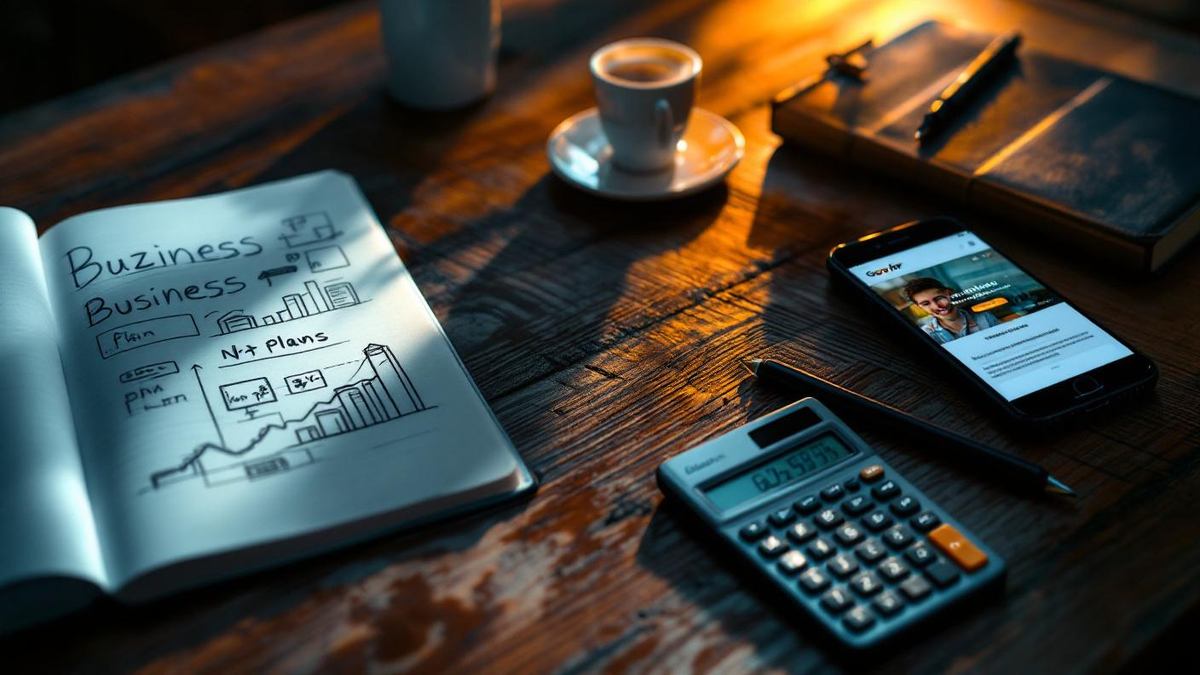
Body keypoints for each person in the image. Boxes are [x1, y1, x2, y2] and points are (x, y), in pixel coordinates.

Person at [902, 277, 1000, 343]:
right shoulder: (925, 334)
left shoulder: (985, 317)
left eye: (939, 298)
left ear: (949, 293)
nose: (937, 306)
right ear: (920, 307)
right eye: (926, 304)